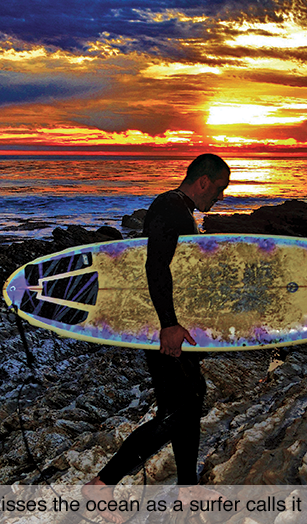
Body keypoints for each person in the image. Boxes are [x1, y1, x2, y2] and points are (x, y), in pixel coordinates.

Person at [83, 154, 230, 517]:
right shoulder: (170, 209)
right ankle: (101, 486)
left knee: (191, 401)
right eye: (220, 189)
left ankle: (188, 489)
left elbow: (181, 271)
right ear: (203, 182)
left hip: (177, 325)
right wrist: (168, 324)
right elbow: (156, 265)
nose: (221, 197)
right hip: (164, 327)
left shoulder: (179, 210)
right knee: (176, 411)